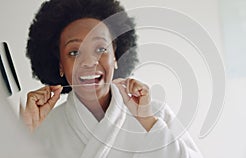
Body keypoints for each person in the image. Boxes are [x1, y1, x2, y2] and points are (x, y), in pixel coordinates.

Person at [22, 0, 202, 157]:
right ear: (60, 65)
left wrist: (148, 122)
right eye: (74, 52)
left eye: (100, 49)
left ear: (115, 57)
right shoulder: (45, 129)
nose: (89, 62)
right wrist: (25, 134)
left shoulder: (155, 114)